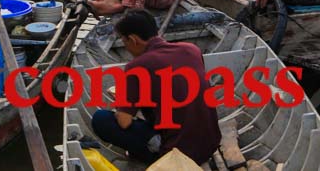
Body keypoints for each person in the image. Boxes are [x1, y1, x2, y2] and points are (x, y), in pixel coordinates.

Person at [90, 10, 221, 165]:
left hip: (177, 154)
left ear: (133, 40)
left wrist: (122, 102)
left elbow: (124, 122)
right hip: (210, 145)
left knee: (101, 120)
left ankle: (150, 154)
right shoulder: (191, 49)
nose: (127, 48)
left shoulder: (136, 67)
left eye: (124, 42)